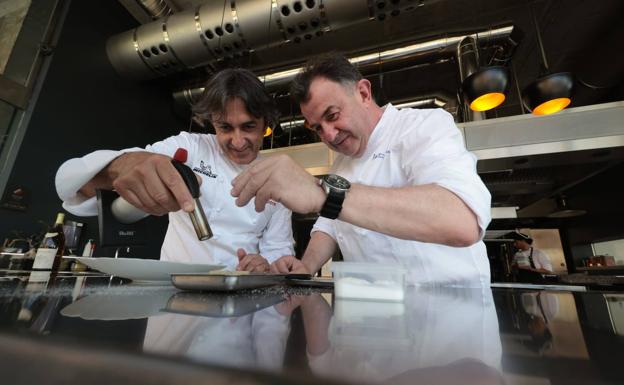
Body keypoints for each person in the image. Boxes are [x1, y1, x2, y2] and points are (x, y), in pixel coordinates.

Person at [231, 53, 492, 285]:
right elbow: (329, 225)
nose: (329, 135)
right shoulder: (342, 163)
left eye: (332, 116)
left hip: (450, 319)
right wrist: (307, 265)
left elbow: (462, 221)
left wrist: (323, 195)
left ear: (364, 93)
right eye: (317, 128)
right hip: (378, 314)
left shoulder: (423, 126)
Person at [55, 68, 294, 272]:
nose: (238, 141)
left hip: (241, 302)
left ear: (265, 123)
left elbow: (279, 250)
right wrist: (122, 165)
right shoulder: (189, 147)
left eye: (248, 127)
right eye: (225, 128)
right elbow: (80, 186)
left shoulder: (277, 177)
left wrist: (265, 264)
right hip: (176, 295)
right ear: (213, 122)